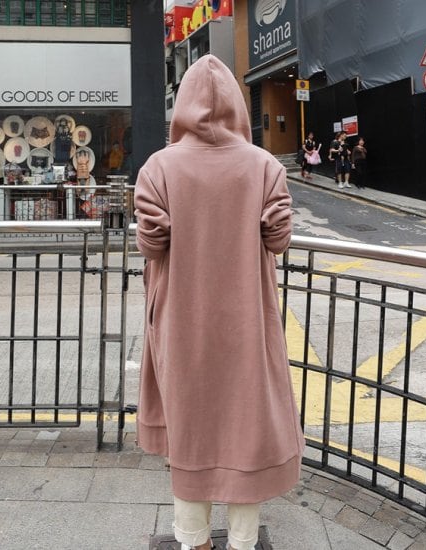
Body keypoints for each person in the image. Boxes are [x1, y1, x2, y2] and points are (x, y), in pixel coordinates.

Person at [134, 54, 304, 550]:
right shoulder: (265, 166)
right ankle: (243, 541)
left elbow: (151, 245)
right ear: (237, 107)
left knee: (189, 425)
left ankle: (195, 540)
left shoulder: (158, 168)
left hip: (181, 321)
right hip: (248, 323)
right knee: (246, 422)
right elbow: (278, 239)